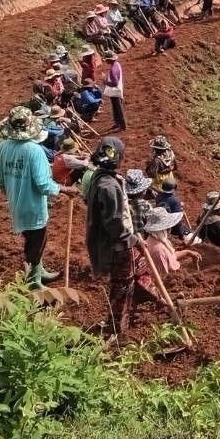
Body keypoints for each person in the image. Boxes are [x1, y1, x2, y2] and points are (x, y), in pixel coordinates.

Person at [0, 106, 62, 289]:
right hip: (33, 207)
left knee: (32, 240)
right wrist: (62, 189)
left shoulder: (2, 147)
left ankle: (40, 272)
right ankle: (33, 283)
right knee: (36, 244)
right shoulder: (34, 151)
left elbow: (0, 178)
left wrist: (14, 192)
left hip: (16, 203)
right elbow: (43, 184)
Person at [83, 136, 139, 337]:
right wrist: (131, 239)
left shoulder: (98, 176)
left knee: (121, 285)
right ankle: (116, 329)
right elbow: (114, 223)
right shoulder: (109, 187)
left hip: (110, 242)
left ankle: (117, 321)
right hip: (117, 246)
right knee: (122, 285)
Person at [136, 207, 199, 305]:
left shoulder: (155, 240)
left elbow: (171, 256)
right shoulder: (159, 250)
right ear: (162, 228)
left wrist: (187, 252)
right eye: (167, 226)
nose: (169, 229)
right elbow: (169, 279)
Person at [153, 173, 192, 239]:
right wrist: (181, 232)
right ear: (175, 188)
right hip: (172, 227)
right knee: (188, 232)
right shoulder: (175, 200)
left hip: (161, 222)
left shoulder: (158, 196)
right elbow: (177, 219)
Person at [102, 50, 125, 131]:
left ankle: (122, 126)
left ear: (109, 59)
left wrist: (106, 82)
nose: (106, 61)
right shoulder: (117, 64)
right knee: (115, 107)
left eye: (106, 60)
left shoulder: (112, 70)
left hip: (115, 91)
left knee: (118, 108)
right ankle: (117, 123)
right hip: (118, 89)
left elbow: (114, 83)